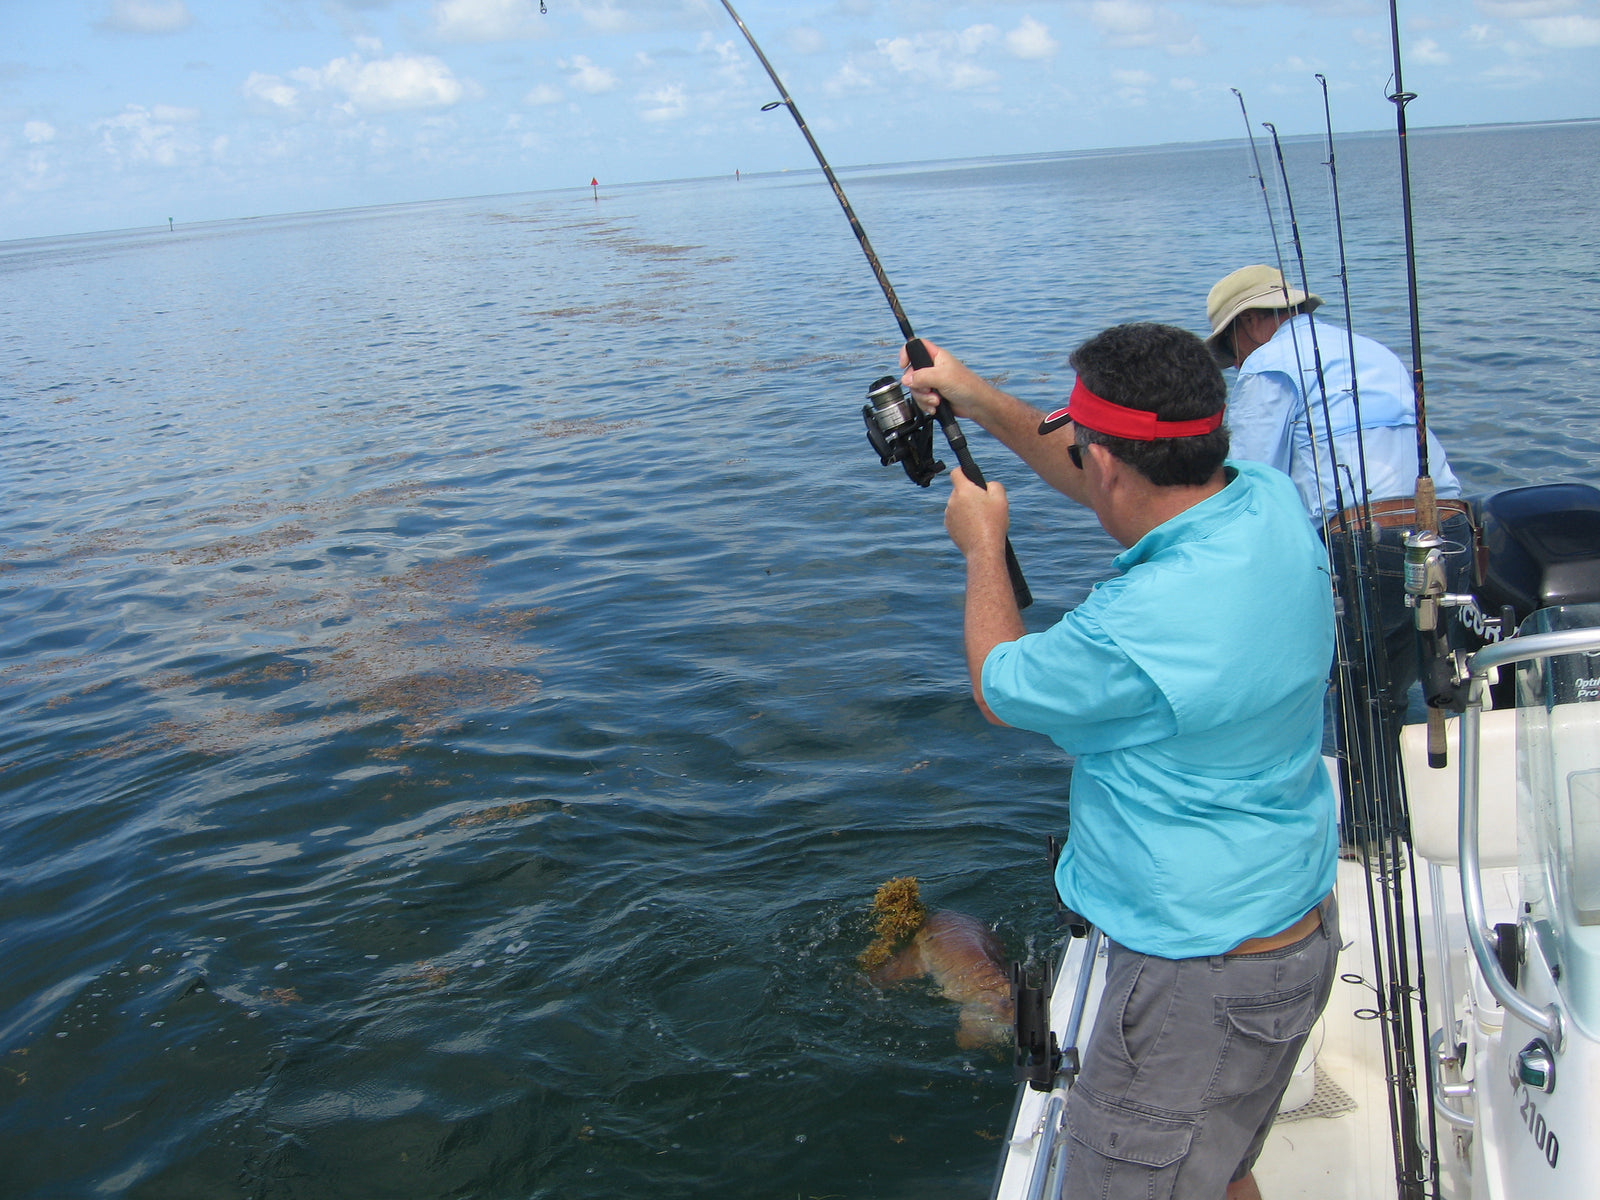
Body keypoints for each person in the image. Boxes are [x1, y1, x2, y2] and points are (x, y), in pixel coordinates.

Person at [901, 322, 1339, 1200]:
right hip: (1286, 928)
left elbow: (1000, 682)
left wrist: (983, 549)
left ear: (1107, 461)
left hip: (1198, 982)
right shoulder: (1261, 501)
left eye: (1082, 442)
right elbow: (1102, 475)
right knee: (1215, 1173)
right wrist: (973, 393)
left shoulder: (1140, 625)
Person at [1203, 264, 1474, 726]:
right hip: (1449, 532)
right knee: (1395, 693)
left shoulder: (1268, 365)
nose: (1236, 363)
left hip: (1368, 548)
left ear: (1249, 322)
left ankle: (1352, 788)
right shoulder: (1373, 351)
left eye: (1230, 347)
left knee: (1342, 694)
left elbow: (1250, 486)